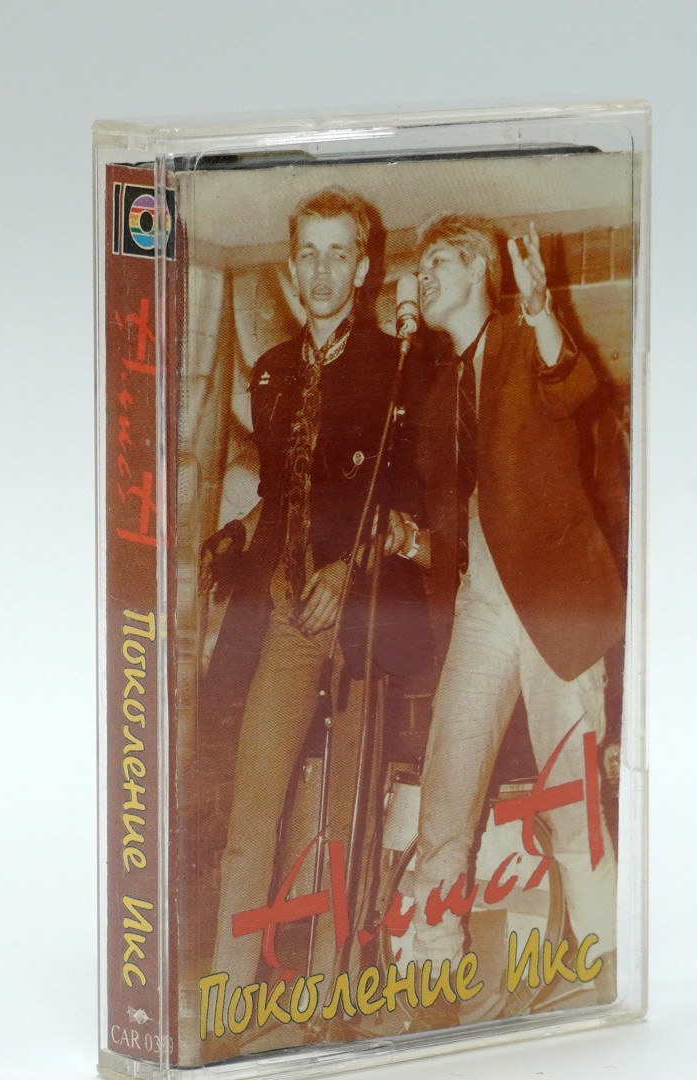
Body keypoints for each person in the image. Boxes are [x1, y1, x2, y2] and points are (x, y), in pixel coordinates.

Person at [202, 187, 424, 1016]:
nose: (323, 270)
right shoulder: (271, 372)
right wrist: (241, 542)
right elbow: (281, 493)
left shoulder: (399, 365)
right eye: (309, 254)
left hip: (365, 617)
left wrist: (348, 570)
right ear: (293, 267)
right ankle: (227, 999)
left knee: (346, 822)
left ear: (363, 268)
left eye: (340, 254)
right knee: (252, 815)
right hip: (289, 617)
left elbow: (408, 503)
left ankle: (332, 999)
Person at [404, 213, 625, 1018]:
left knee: (570, 803)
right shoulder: (439, 388)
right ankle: (434, 974)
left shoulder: (521, 339)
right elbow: (455, 520)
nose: (424, 275)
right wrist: (413, 542)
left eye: (439, 260)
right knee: (445, 792)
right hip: (483, 608)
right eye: (421, 265)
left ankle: (603, 966)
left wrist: (539, 307)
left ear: (477, 271)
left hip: (555, 601)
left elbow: (573, 384)